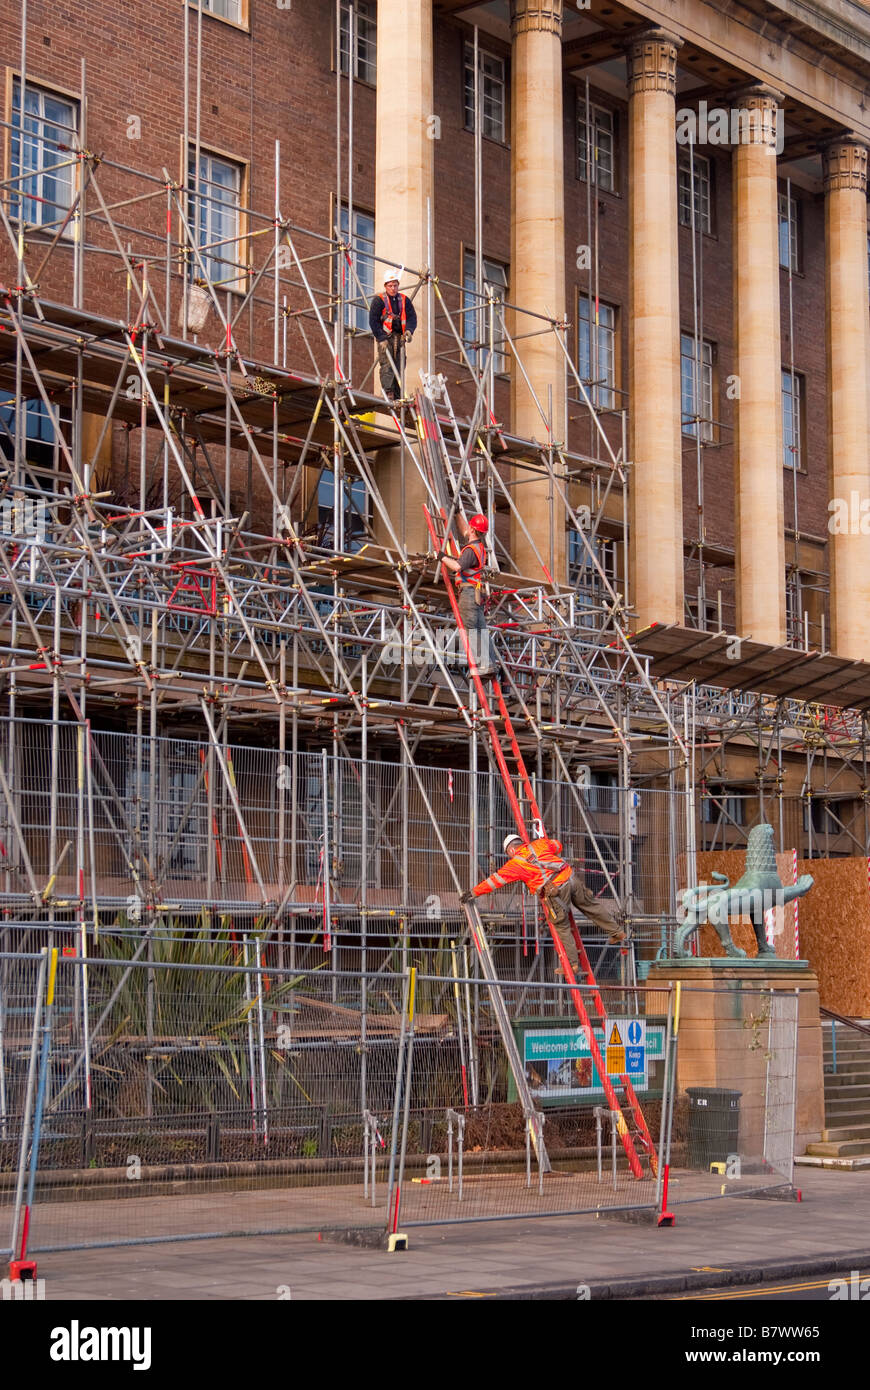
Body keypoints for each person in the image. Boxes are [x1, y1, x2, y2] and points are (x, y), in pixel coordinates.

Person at [460, 831, 626, 975]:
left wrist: (473, 892)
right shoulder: (538, 844)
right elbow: (557, 845)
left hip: (555, 891)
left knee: (561, 925)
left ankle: (573, 965)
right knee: (591, 906)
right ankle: (617, 932)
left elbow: (493, 882)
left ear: (511, 850)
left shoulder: (515, 864)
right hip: (570, 878)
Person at [439, 512, 495, 679]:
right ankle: (490, 664)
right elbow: (465, 531)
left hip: (469, 593)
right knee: (481, 630)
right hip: (476, 593)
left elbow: (456, 567)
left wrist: (441, 557)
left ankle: (483, 665)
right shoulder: (479, 547)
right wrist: (457, 515)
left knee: (471, 629)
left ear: (473, 529)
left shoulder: (470, 551)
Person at [369, 271, 418, 402]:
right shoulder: (379, 300)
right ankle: (388, 391)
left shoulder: (404, 300)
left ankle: (398, 394)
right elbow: (373, 321)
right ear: (386, 286)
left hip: (400, 338)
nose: (393, 288)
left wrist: (409, 330)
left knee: (400, 365)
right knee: (387, 364)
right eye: (390, 285)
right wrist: (381, 338)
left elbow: (412, 317)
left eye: (395, 285)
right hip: (386, 337)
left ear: (398, 285)